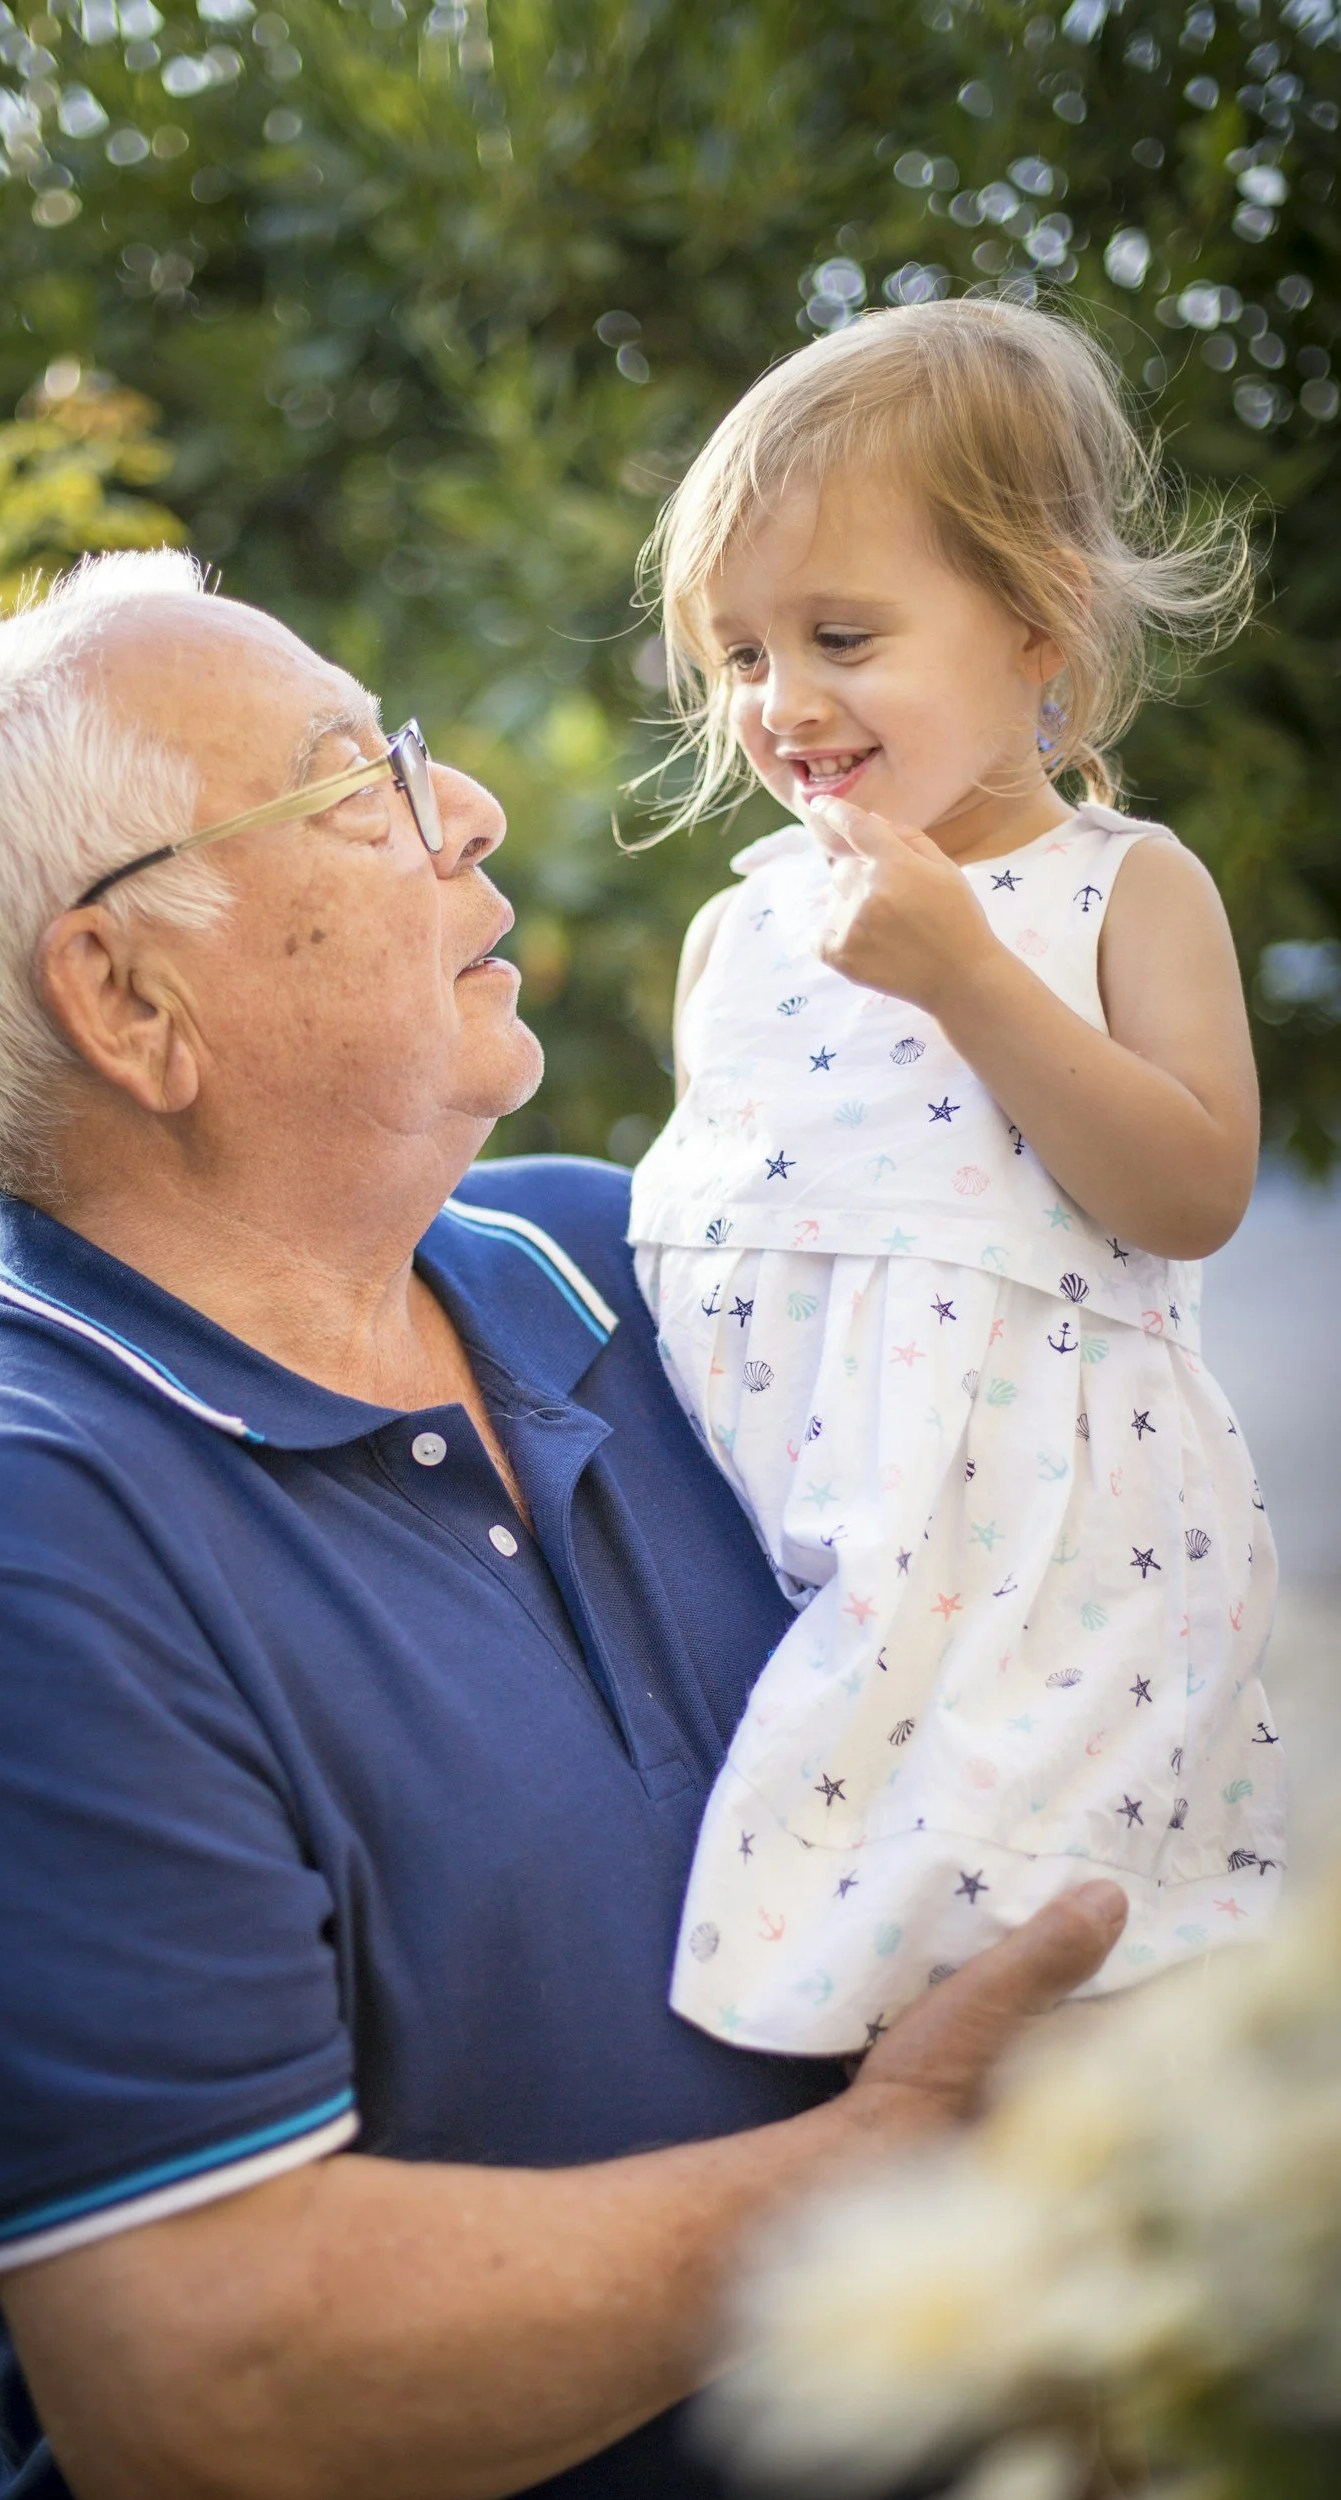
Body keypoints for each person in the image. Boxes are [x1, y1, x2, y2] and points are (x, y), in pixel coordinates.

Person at [0, 548, 1127, 2500]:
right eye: (360, 779)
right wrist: (878, 2165)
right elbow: (210, 2380)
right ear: (130, 996)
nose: (470, 804)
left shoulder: (633, 1257)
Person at [628, 297, 1284, 2062]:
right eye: (738, 654)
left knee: (1048, 2001)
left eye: (841, 632)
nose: (782, 703)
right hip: (798, 1569)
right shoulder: (736, 932)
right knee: (825, 2028)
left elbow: (1189, 1190)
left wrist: (969, 981)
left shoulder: (1116, 889)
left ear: (1032, 624)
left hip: (1043, 1582)